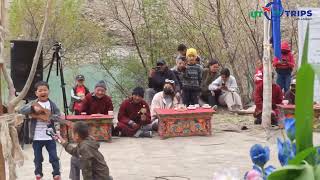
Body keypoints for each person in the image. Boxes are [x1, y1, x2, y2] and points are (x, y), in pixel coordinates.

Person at [19, 81, 61, 180]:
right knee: (37, 158)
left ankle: (56, 173)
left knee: (54, 157)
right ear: (36, 93)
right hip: (36, 137)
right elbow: (21, 110)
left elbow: (58, 115)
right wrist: (33, 108)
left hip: (50, 137)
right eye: (40, 90)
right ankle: (38, 174)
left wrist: (49, 116)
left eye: (45, 90)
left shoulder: (51, 104)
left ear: (49, 91)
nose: (43, 92)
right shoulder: (34, 103)